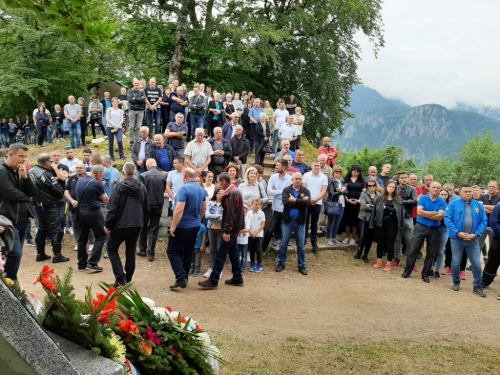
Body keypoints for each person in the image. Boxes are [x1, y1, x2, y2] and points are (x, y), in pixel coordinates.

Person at [198, 172, 245, 289]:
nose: (218, 184)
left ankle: (213, 280)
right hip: (235, 228)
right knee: (233, 254)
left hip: (231, 229)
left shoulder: (232, 193)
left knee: (221, 254)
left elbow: (230, 214)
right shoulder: (234, 191)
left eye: (219, 181)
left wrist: (227, 231)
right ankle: (238, 278)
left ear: (224, 181)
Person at [105, 162, 150, 287]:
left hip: (120, 224)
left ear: (123, 173)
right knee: (130, 250)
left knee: (112, 249)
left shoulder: (118, 187)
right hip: (136, 224)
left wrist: (108, 223)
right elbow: (147, 208)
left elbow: (112, 208)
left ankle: (121, 278)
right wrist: (142, 222)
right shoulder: (142, 188)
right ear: (135, 173)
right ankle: (127, 278)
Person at [0, 144, 37, 281]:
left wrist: (25, 177)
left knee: (15, 254)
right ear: (10, 155)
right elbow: (11, 193)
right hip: (7, 220)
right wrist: (27, 198)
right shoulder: (2, 170)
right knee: (15, 253)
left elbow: (34, 192)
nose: (24, 160)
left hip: (23, 220)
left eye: (26, 157)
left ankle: (8, 282)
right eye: (20, 156)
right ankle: (10, 281)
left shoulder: (21, 171)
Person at [443, 184, 487, 297]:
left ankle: (477, 285)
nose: (468, 193)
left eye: (469, 191)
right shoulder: (453, 204)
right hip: (457, 238)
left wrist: (476, 234)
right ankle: (456, 281)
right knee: (456, 261)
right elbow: (447, 219)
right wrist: (458, 232)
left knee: (477, 264)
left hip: (473, 240)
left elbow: (483, 221)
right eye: (465, 191)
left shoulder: (478, 205)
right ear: (460, 193)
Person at [168, 168, 207, 290]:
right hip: (195, 225)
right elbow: (204, 209)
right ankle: (184, 278)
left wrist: (173, 225)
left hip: (183, 226)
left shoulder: (183, 189)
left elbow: (179, 209)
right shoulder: (201, 189)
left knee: (172, 251)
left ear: (184, 175)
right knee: (187, 253)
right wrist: (198, 221)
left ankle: (180, 277)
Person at [29, 153, 69, 264]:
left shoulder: (31, 171)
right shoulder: (46, 173)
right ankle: (57, 255)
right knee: (55, 228)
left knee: (42, 228)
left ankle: (40, 253)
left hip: (37, 203)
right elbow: (57, 189)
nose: (52, 163)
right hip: (48, 204)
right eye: (51, 162)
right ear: (47, 163)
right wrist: (60, 194)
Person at [402, 182, 446, 282]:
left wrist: (426, 214)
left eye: (438, 188)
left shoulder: (442, 201)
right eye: (433, 187)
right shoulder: (423, 198)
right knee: (413, 250)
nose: (435, 189)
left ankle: (425, 274)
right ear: (429, 188)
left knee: (431, 253)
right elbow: (419, 212)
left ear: (440, 190)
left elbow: (440, 216)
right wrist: (434, 214)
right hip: (420, 227)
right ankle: (408, 270)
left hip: (435, 229)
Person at [75, 165, 109, 272]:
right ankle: (93, 262)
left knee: (82, 239)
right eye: (102, 175)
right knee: (101, 235)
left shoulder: (80, 180)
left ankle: (81, 264)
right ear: (98, 173)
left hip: (80, 212)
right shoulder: (97, 183)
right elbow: (105, 200)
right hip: (93, 212)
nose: (102, 177)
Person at [276, 172, 311, 275]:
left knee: (301, 245)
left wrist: (294, 200)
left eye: (300, 179)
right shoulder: (286, 190)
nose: (298, 180)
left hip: (300, 222)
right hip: (288, 221)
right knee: (283, 244)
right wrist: (300, 202)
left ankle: (302, 265)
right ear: (292, 179)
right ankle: (281, 263)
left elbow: (308, 203)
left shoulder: (306, 191)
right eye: (296, 178)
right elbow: (286, 203)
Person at [370, 180, 404, 271]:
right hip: (381, 223)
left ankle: (389, 263)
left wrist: (387, 208)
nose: (391, 189)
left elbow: (399, 212)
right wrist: (372, 223)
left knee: (390, 244)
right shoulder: (380, 198)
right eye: (390, 187)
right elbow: (374, 211)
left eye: (393, 187)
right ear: (386, 187)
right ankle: (379, 261)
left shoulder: (398, 200)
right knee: (380, 243)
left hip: (393, 224)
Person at [138, 158, 167, 262]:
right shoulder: (163, 175)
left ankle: (142, 250)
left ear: (147, 165)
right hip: (158, 205)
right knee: (153, 229)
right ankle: (151, 252)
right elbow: (164, 189)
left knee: (143, 227)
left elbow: (140, 192)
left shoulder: (143, 176)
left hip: (146, 206)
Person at [262, 160, 293, 251]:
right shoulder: (273, 177)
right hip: (276, 209)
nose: (276, 167)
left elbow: (288, 193)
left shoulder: (290, 179)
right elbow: (269, 191)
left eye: (278, 165)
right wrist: (282, 191)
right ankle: (263, 249)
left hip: (286, 209)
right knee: (270, 230)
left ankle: (283, 247)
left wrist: (276, 191)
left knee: (286, 229)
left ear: (284, 167)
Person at [391, 171, 417, 266]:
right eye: (402, 178)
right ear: (398, 179)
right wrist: (407, 201)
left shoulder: (412, 189)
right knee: (396, 240)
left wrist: (401, 202)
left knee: (409, 240)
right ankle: (397, 258)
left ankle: (410, 262)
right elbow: (392, 201)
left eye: (405, 177)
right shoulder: (395, 189)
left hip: (408, 217)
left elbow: (414, 202)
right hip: (396, 217)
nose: (404, 179)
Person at [302, 160, 328, 252]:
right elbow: (304, 188)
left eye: (318, 165)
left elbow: (324, 191)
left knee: (314, 223)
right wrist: (309, 200)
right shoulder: (306, 175)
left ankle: (314, 242)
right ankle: (303, 241)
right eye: (315, 165)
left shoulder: (324, 177)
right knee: (305, 222)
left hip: (318, 203)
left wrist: (316, 199)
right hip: (307, 202)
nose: (317, 167)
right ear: (311, 166)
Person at [64, 163, 88, 251]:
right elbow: (66, 192)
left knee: (88, 226)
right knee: (75, 225)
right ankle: (78, 242)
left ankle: (91, 242)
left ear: (85, 169)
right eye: (77, 168)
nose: (78, 169)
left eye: (80, 168)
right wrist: (72, 200)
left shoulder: (89, 179)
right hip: (73, 207)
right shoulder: (71, 178)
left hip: (86, 207)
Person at [355, 179, 380, 262]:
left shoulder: (379, 195)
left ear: (376, 186)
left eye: (373, 185)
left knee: (370, 238)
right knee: (362, 237)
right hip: (364, 218)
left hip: (374, 219)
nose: (372, 187)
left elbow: (379, 208)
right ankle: (359, 253)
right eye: (369, 185)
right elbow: (363, 206)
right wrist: (373, 207)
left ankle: (365, 255)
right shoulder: (363, 194)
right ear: (367, 186)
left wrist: (370, 205)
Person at [430, 189, 451, 279]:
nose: (443, 196)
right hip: (434, 227)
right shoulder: (436, 203)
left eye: (445, 194)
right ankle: (430, 268)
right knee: (432, 249)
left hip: (445, 229)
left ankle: (437, 270)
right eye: (442, 194)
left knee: (441, 251)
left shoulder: (450, 206)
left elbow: (448, 218)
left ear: (448, 196)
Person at [477, 180, 500, 262]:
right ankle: (474, 264)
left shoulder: (499, 197)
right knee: (478, 245)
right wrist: (494, 208)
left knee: (493, 247)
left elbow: (497, 209)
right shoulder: (482, 197)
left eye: (493, 186)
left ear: (497, 188)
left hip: (494, 227)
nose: (491, 188)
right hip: (482, 225)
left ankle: (490, 264)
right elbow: (480, 208)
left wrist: (484, 206)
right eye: (490, 186)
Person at [342, 164, 365, 245]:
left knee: (355, 220)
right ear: (351, 171)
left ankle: (353, 238)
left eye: (358, 172)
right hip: (347, 202)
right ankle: (347, 237)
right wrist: (347, 200)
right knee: (347, 220)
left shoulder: (362, 181)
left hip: (357, 203)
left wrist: (359, 200)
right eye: (355, 171)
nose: (356, 173)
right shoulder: (346, 180)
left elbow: (364, 192)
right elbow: (343, 191)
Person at [204, 187, 225, 278]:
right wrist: (219, 216)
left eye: (222, 193)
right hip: (211, 228)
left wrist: (215, 216)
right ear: (215, 194)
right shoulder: (210, 203)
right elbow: (207, 216)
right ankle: (211, 268)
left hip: (221, 229)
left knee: (219, 249)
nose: (220, 195)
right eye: (219, 193)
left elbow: (225, 218)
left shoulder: (226, 205)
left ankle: (219, 269)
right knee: (212, 249)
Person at [325, 166, 347, 246]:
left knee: (338, 222)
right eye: (336, 172)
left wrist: (342, 191)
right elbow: (332, 194)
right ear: (333, 172)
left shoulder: (342, 181)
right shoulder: (331, 180)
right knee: (331, 222)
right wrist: (341, 191)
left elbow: (346, 192)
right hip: (334, 203)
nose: (338, 173)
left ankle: (334, 238)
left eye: (340, 172)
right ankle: (328, 238)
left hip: (342, 203)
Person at [481, 204, 500, 295]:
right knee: (492, 261)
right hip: (498, 239)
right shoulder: (499, 207)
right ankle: (485, 281)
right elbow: (494, 222)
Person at [128, 79, 147, 144]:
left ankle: (137, 140)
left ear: (139, 84)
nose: (136, 84)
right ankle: (131, 141)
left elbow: (143, 100)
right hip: (132, 110)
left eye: (137, 83)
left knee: (139, 126)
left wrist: (135, 99)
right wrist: (139, 99)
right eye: (135, 83)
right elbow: (130, 100)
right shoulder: (130, 91)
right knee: (131, 126)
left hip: (140, 111)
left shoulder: (142, 91)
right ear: (133, 84)